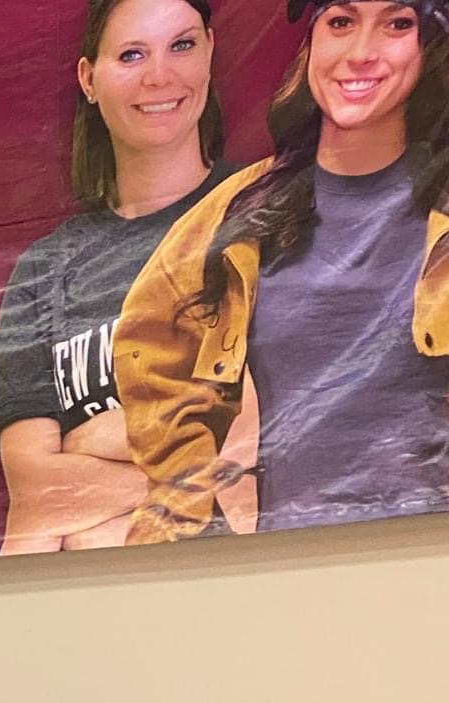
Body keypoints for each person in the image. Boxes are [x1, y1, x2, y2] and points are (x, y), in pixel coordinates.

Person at [117, 0, 449, 542]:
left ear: (431, 44)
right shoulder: (236, 215)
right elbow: (154, 364)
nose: (361, 53)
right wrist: (191, 526)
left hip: (431, 566)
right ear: (311, 41)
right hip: (290, 572)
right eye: (340, 22)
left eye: (397, 24)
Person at [0, 0, 258, 554]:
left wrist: (88, 442)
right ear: (89, 79)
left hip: (238, 592)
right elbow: (35, 498)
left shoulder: (264, 215)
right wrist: (189, 470)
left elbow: (258, 455)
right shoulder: (45, 270)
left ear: (210, 48)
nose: (159, 76)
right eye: (132, 54)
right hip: (85, 611)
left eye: (181, 45)